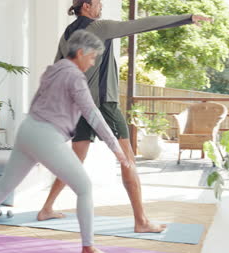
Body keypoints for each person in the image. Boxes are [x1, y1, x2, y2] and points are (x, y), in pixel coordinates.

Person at [37, 0, 212, 234]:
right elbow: (142, 24)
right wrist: (187, 18)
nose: (101, 7)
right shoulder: (99, 28)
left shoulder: (67, 33)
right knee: (127, 158)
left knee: (75, 159)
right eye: (98, 3)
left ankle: (46, 208)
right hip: (104, 105)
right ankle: (141, 221)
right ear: (86, 6)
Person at [0, 30, 131, 253]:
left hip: (28, 130)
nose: (93, 62)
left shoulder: (53, 69)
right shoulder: (75, 77)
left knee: (6, 183)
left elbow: (40, 101)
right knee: (84, 187)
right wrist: (116, 148)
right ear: (80, 52)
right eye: (92, 57)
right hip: (46, 135)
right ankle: (88, 248)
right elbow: (93, 115)